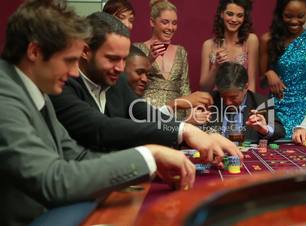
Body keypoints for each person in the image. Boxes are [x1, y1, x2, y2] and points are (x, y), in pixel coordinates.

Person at [0, 1, 195, 225]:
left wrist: (150, 167)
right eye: (69, 61)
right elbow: (53, 181)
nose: (74, 71)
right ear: (34, 51)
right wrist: (149, 155)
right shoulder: (4, 95)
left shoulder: (35, 87)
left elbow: (77, 156)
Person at [49, 12, 242, 160]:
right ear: (85, 51)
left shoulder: (116, 81)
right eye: (112, 59)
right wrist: (184, 132)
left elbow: (146, 114)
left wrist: (194, 132)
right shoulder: (61, 85)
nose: (120, 68)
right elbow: (101, 127)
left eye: (124, 60)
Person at [259, 0, 306, 138]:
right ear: (281, 14)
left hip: (305, 111)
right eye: (288, 16)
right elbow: (261, 75)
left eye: (301, 16)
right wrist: (269, 72)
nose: (294, 21)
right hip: (276, 110)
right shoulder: (267, 40)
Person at [125, 45, 211, 125]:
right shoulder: (120, 101)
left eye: (147, 74)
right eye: (139, 72)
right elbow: (143, 131)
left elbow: (151, 127)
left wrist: (186, 118)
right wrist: (177, 106)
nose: (145, 79)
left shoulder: (136, 102)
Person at [135, 0, 190, 120]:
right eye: (165, 22)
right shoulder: (137, 49)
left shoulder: (181, 51)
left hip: (176, 115)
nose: (170, 28)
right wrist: (149, 60)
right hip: (147, 113)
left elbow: (184, 87)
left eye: (174, 23)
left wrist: (189, 115)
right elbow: (130, 83)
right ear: (152, 22)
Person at [205, 62, 285, 141]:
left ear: (246, 87)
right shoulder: (209, 102)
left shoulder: (262, 103)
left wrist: (265, 129)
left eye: (233, 97)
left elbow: (280, 130)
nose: (228, 102)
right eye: (223, 96)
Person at [199, 0, 258, 92]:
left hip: (242, 102)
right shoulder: (208, 45)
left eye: (239, 15)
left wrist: (249, 105)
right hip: (216, 101)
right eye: (230, 14)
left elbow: (251, 83)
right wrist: (216, 66)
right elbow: (205, 88)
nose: (234, 20)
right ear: (222, 14)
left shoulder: (251, 40)